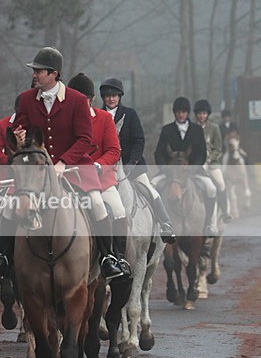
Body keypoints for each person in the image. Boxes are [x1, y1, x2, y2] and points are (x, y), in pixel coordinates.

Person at [0, 47, 130, 281]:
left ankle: (107, 257)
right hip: (36, 172)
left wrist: (63, 162)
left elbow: (85, 139)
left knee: (97, 203)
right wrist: (20, 137)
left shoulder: (76, 100)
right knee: (9, 206)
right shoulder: (25, 99)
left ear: (53, 74)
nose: (34, 75)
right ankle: (2, 255)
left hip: (74, 169)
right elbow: (19, 128)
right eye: (34, 71)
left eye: (38, 71)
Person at [67, 72, 134, 269]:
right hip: (68, 176)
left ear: (91, 99)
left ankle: (114, 257)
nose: (79, 104)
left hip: (99, 177)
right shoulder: (62, 120)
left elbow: (114, 150)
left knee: (118, 210)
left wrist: (98, 165)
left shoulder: (104, 118)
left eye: (84, 100)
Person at [99, 77, 175, 243]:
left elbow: (139, 140)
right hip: (105, 168)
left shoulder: (130, 114)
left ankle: (165, 224)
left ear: (120, 97)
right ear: (103, 97)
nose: (111, 98)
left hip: (132, 165)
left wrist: (131, 163)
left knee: (148, 189)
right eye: (108, 95)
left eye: (115, 95)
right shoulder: (98, 115)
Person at [154, 96, 218, 237]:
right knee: (152, 186)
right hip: (170, 172)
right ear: (174, 113)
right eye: (178, 112)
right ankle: (158, 225)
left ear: (188, 113)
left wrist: (193, 168)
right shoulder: (167, 130)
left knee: (211, 188)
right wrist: (164, 168)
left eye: (183, 112)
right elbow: (158, 152)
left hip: (192, 171)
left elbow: (201, 153)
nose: (181, 114)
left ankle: (208, 225)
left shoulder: (196, 129)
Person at [194, 99, 232, 222]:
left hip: (212, 163)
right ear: (196, 114)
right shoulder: (192, 128)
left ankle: (226, 211)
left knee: (220, 183)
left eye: (204, 113)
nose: (202, 116)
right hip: (197, 163)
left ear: (208, 114)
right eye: (199, 113)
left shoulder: (214, 128)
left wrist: (210, 159)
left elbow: (218, 147)